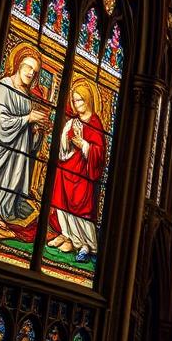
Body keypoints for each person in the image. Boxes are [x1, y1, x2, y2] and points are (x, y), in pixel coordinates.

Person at [0, 44, 48, 230]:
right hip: (3, 146)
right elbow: (1, 122)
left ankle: (1, 211)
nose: (31, 73)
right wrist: (28, 118)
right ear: (18, 65)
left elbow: (27, 131)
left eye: (35, 71)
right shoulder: (4, 86)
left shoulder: (27, 96)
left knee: (13, 180)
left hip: (19, 148)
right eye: (28, 67)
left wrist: (36, 130)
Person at [47, 78, 104, 263]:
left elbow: (100, 154)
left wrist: (85, 145)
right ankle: (67, 235)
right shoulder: (73, 122)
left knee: (82, 208)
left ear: (88, 100)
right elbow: (63, 147)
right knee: (60, 198)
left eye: (79, 100)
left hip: (84, 174)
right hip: (68, 168)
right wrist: (67, 139)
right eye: (74, 100)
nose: (76, 104)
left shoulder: (95, 124)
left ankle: (86, 243)